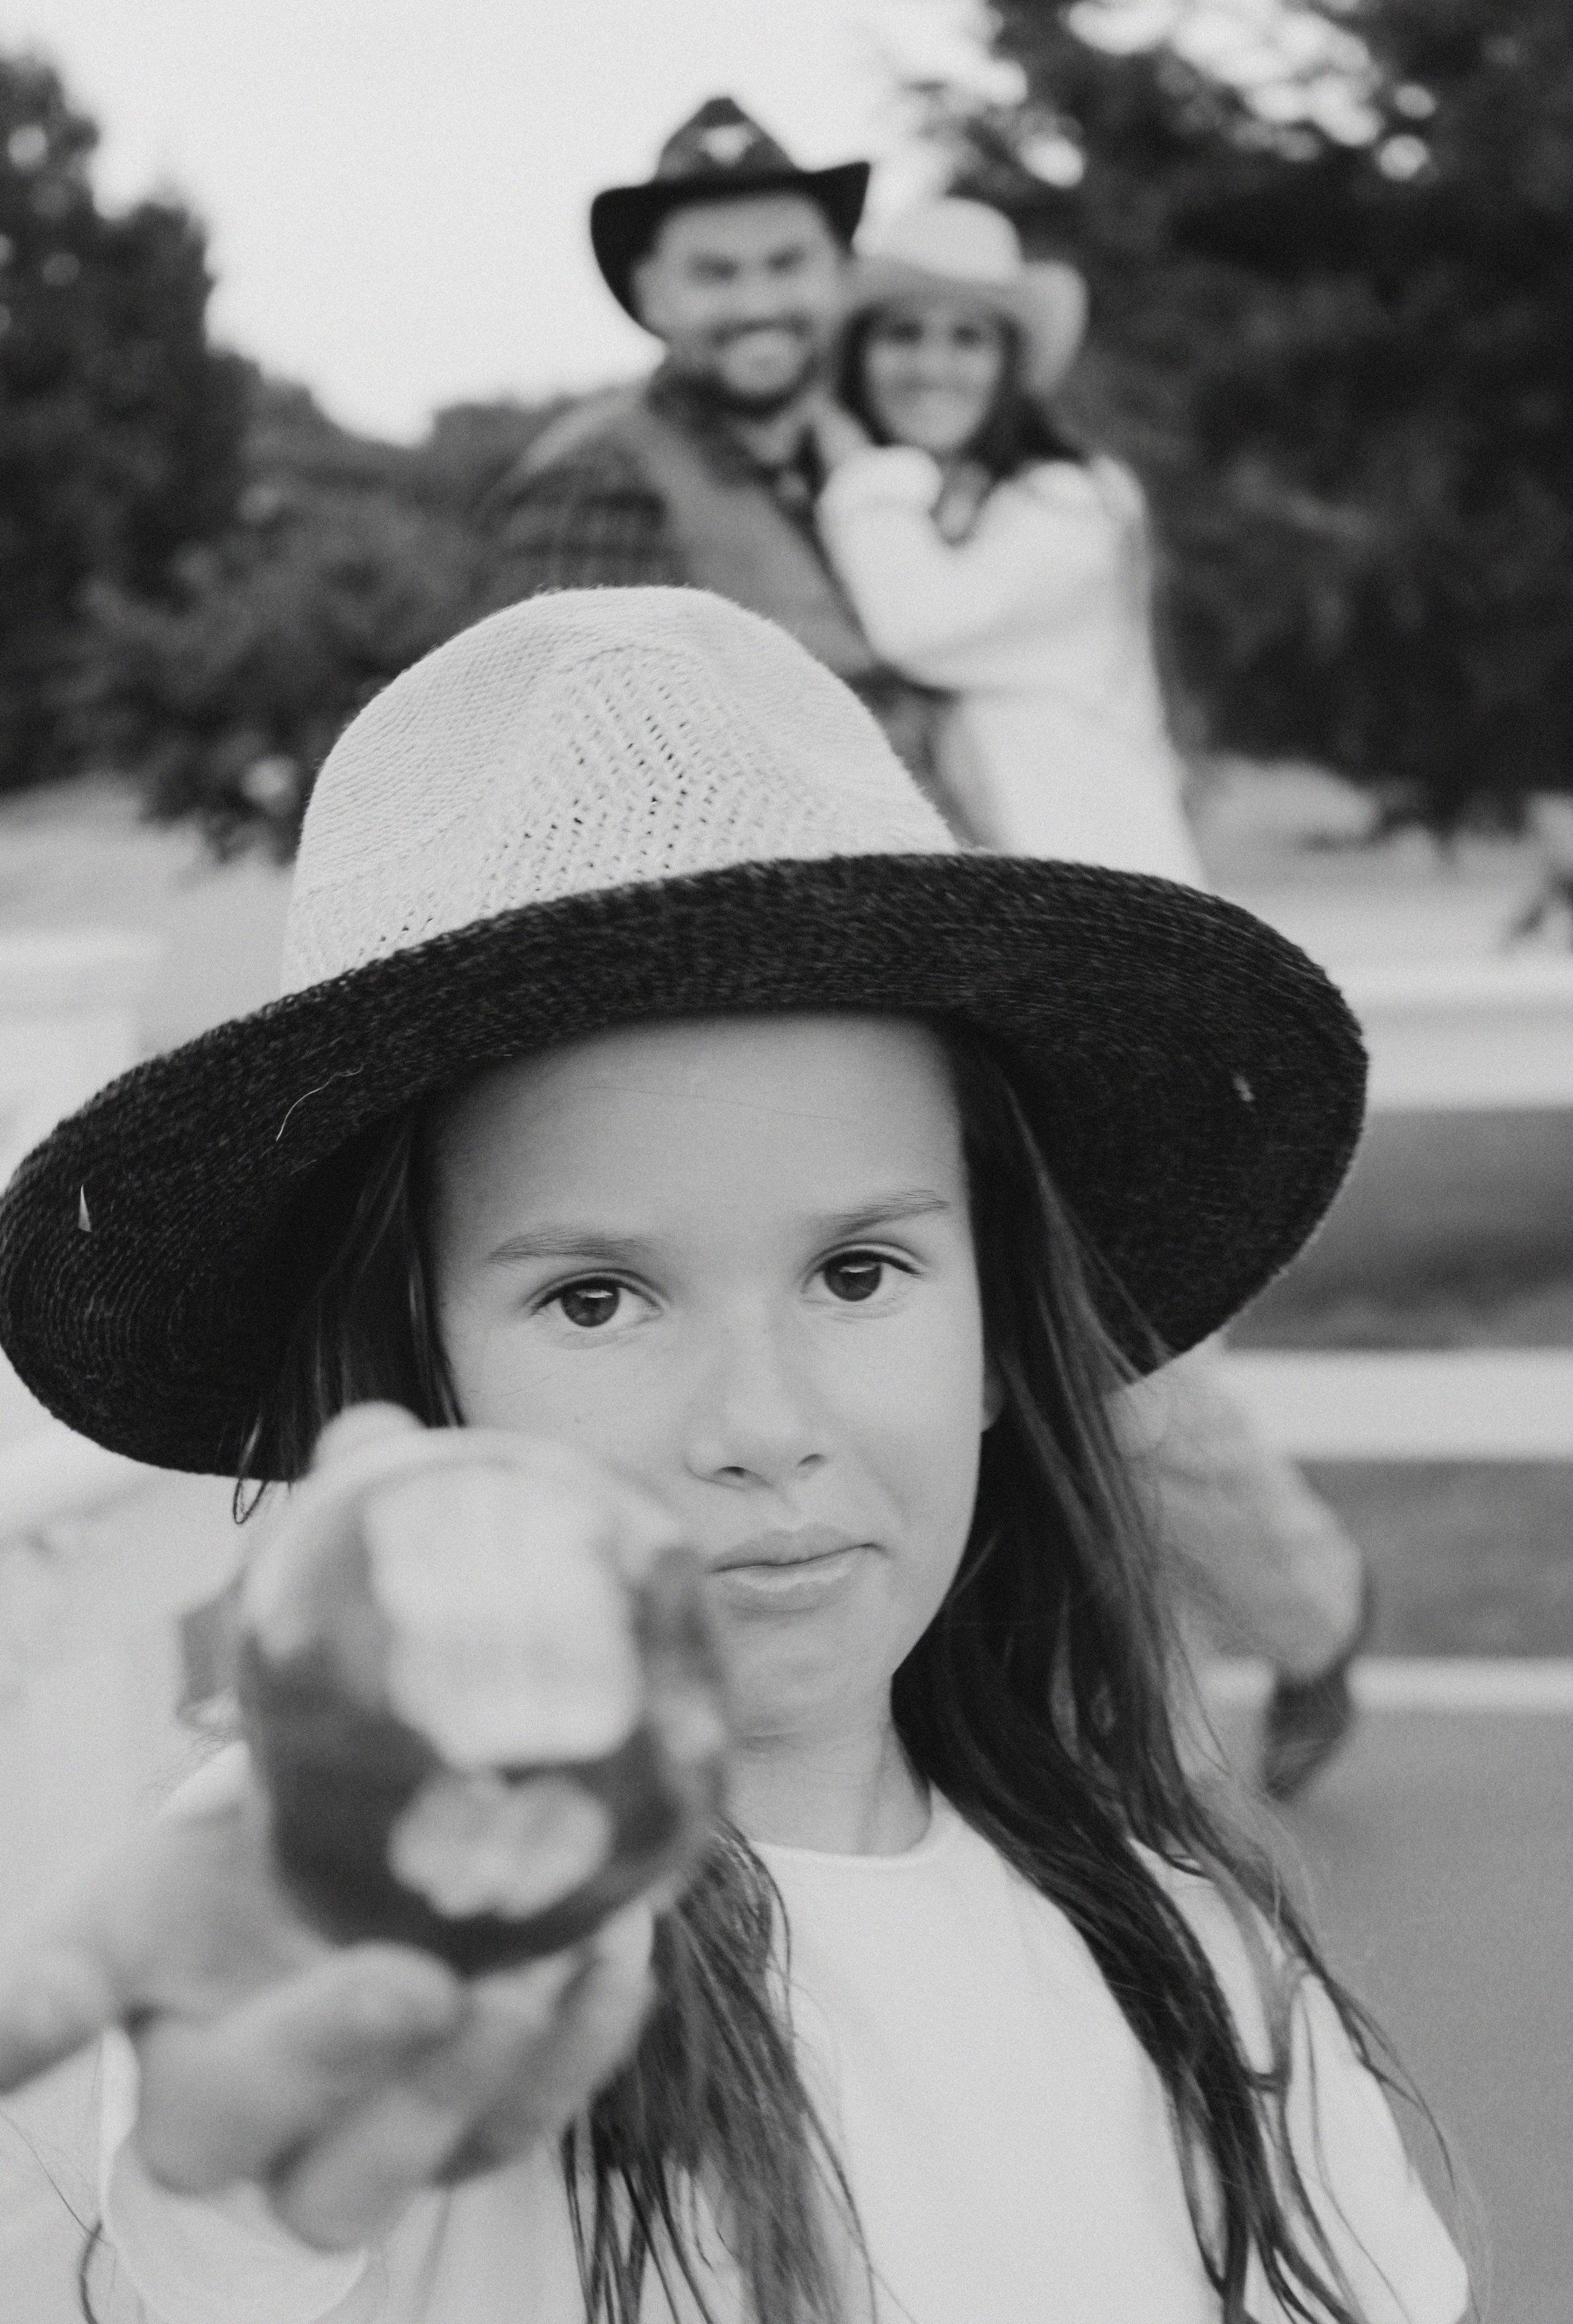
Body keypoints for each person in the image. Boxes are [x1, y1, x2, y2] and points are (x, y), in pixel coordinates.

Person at [0, 588, 1465, 2324]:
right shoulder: (386, 1910)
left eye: (857, 1272)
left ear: (999, 1333)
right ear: (414, 1370)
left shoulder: (1201, 1960)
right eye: (597, 1298)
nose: (762, 1426)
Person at [810, 198, 1375, 1802]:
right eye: (903, 334)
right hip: (992, 973)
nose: (931, 364)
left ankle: (1290, 1623)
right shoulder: (937, 505)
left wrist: (854, 466)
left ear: (1012, 364)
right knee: (1043, 1363)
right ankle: (1147, 1703)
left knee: (1121, 1359)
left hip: (1126, 972)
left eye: (962, 338)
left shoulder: (1069, 502)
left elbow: (915, 619)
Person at [477, 96, 951, 798]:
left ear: (842, 274)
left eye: (787, 264)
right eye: (715, 274)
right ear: (653, 295)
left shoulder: (870, 456)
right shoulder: (597, 477)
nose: (757, 304)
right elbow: (576, 783)